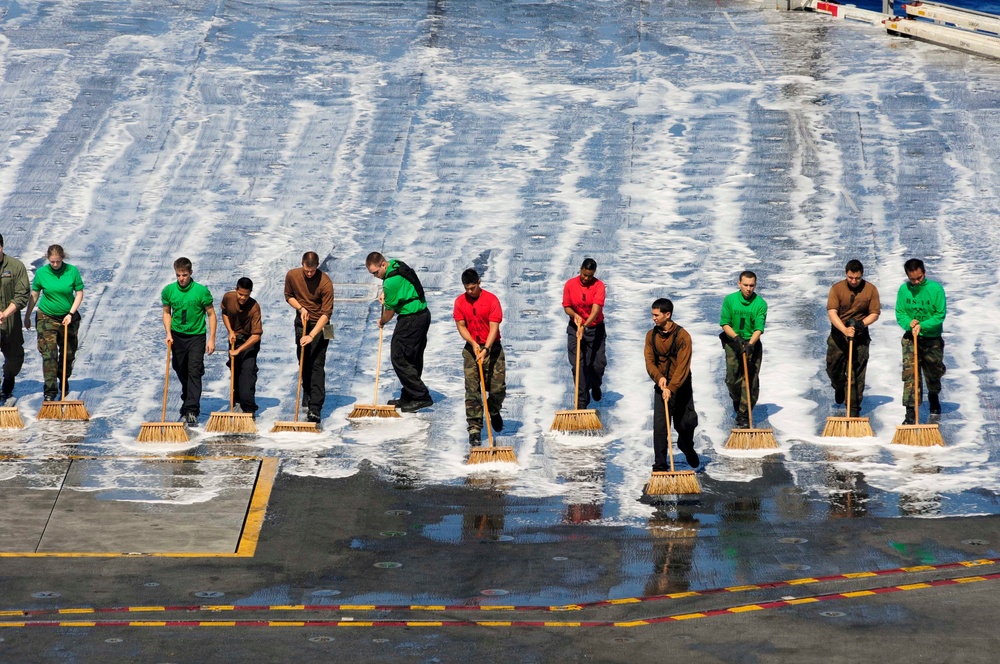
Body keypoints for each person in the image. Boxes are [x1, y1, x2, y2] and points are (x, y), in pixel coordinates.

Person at [366, 252, 432, 412]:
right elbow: (401, 286)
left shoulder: (389, 282)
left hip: (411, 319)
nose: (375, 276)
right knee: (412, 357)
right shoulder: (396, 264)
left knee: (399, 356)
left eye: (376, 272)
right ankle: (409, 396)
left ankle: (421, 396)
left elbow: (389, 312)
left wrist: (382, 321)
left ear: (383, 264)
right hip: (422, 315)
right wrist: (386, 295)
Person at [23, 245, 85, 401]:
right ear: (48, 259)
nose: (55, 265)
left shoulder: (72, 271)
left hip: (68, 316)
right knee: (49, 354)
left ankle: (63, 378)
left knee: (68, 353)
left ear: (63, 258)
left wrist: (71, 313)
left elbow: (79, 293)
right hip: (47, 316)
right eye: (52, 262)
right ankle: (50, 390)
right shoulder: (42, 273)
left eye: (58, 261)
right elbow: (35, 294)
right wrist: (28, 315)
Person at [645, 298, 699, 471]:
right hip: (661, 386)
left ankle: (686, 445)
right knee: (660, 428)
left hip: (681, 386)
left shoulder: (684, 336)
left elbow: (683, 366)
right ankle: (660, 465)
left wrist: (672, 388)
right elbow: (649, 362)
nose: (653, 318)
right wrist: (659, 378)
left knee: (686, 423)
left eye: (656, 315)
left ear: (667, 315)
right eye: (652, 314)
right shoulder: (650, 336)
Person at [453, 268, 505, 446]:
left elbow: (494, 328)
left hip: (492, 347)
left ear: (479, 283)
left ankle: (493, 409)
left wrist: (485, 349)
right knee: (472, 389)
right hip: (471, 348)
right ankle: (475, 428)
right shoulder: (460, 302)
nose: (470, 292)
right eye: (467, 289)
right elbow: (461, 326)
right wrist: (474, 344)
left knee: (497, 388)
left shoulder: (491, 300)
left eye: (473, 288)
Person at [161, 257, 216, 425]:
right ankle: (188, 395)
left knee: (194, 370)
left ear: (190, 273)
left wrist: (211, 339)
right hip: (177, 336)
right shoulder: (168, 291)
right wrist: (168, 333)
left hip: (197, 336)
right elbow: (166, 313)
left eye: (184, 275)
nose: (181, 279)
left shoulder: (201, 291)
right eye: (178, 275)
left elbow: (211, 315)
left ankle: (191, 409)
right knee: (179, 368)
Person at [826, 259, 881, 417]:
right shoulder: (837, 289)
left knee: (857, 373)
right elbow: (832, 312)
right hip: (839, 334)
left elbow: (875, 313)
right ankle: (839, 386)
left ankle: (854, 408)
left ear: (861, 275)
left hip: (860, 336)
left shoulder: (870, 289)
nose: (854, 281)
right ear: (846, 274)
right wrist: (844, 329)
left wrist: (860, 324)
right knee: (832, 368)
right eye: (850, 278)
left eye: (857, 278)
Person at [284, 252, 334, 423]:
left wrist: (312, 335)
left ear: (318, 265)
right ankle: (308, 390)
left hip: (324, 325)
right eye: (307, 271)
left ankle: (315, 408)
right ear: (302, 265)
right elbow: (288, 296)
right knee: (304, 360)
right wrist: (300, 308)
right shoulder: (292, 275)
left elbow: (327, 314)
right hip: (302, 322)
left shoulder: (326, 282)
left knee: (318, 365)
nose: (309, 274)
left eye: (312, 271)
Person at [895, 258, 946, 424]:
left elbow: (940, 315)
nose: (916, 282)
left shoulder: (936, 289)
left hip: (932, 339)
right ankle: (910, 412)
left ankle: (933, 395)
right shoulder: (904, 290)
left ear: (924, 273)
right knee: (911, 374)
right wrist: (909, 324)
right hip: (911, 338)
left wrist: (922, 325)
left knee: (933, 372)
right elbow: (900, 313)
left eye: (919, 278)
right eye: (912, 279)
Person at [719, 270, 768, 429]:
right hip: (733, 342)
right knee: (732, 379)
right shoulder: (730, 300)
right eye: (745, 285)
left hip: (752, 343)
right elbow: (725, 324)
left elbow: (759, 328)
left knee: (750, 381)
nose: (748, 289)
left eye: (752, 285)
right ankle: (737, 400)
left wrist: (750, 344)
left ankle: (744, 415)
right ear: (739, 284)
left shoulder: (760, 303)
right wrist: (737, 339)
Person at [562, 258, 607, 409]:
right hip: (574, 328)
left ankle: (595, 384)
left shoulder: (599, 285)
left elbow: (596, 310)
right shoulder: (570, 284)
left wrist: (585, 326)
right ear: (580, 269)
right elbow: (567, 307)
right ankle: (581, 402)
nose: (586, 278)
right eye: (584, 274)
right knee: (578, 366)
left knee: (598, 364)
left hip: (595, 329)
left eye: (590, 275)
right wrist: (575, 316)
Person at [220, 277, 263, 418]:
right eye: (240, 294)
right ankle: (237, 403)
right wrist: (230, 331)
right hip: (234, 339)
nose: (243, 298)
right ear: (236, 289)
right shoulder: (228, 297)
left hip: (249, 341)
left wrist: (239, 350)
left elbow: (256, 335)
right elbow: (225, 313)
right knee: (236, 372)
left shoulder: (254, 308)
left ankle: (249, 409)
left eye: (246, 295)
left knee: (247, 374)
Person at [0, 234, 29, 405]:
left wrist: (5, 313)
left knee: (14, 360)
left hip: (11, 322)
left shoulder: (16, 266)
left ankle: (8, 385)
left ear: (2, 247)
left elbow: (22, 295)